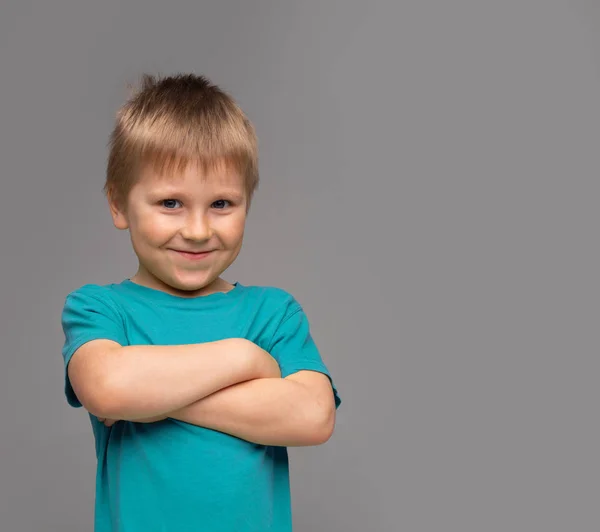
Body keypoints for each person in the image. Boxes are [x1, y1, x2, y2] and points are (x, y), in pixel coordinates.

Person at [60, 73, 341, 532]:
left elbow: (312, 416)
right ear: (118, 204)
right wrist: (246, 358)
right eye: (170, 202)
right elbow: (108, 387)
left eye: (222, 204)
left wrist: (146, 399)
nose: (196, 229)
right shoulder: (100, 309)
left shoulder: (272, 312)